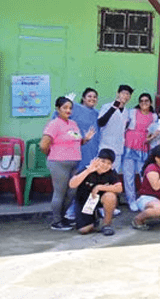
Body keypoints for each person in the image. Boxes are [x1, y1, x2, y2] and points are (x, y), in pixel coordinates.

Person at [40, 96, 96, 231]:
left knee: (71, 192)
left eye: (70, 108)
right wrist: (52, 154)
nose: (68, 110)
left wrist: (85, 139)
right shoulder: (54, 124)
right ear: (58, 109)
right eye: (65, 107)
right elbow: (43, 145)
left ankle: (62, 217)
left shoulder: (73, 124)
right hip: (59, 163)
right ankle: (56, 221)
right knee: (60, 192)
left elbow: (76, 141)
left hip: (74, 162)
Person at [51, 88, 102, 222]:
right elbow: (56, 118)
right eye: (89, 96)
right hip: (74, 154)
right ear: (83, 98)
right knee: (72, 184)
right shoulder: (75, 109)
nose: (92, 99)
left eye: (95, 97)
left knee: (87, 182)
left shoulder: (97, 114)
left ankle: (85, 212)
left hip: (91, 149)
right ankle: (67, 213)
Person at [69, 149, 122, 236]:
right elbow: (72, 184)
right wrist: (88, 171)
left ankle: (107, 225)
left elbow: (119, 188)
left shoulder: (111, 172)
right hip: (86, 202)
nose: (105, 165)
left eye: (109, 163)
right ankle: (96, 220)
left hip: (100, 200)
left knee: (110, 196)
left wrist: (99, 187)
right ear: (97, 160)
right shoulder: (87, 169)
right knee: (84, 230)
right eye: (103, 161)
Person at [122, 93, 157, 212]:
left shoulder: (154, 116)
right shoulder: (132, 112)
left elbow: (154, 133)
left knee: (144, 175)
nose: (144, 103)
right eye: (141, 101)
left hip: (144, 148)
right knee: (128, 175)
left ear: (150, 102)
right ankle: (131, 200)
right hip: (129, 146)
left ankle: (143, 199)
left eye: (146, 101)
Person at [97, 84, 133, 176]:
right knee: (102, 173)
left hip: (118, 148)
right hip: (106, 146)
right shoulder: (106, 106)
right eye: (123, 93)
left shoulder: (126, 112)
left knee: (114, 174)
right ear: (118, 93)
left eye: (128, 94)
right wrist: (113, 108)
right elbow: (100, 123)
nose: (125, 96)